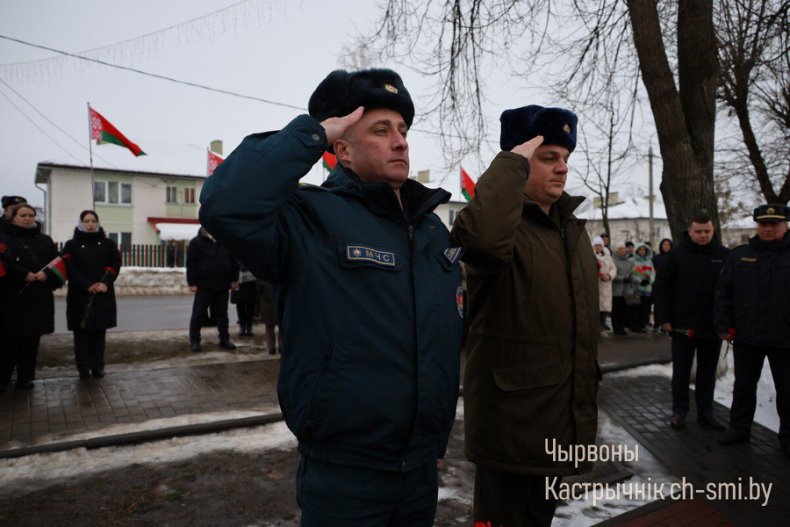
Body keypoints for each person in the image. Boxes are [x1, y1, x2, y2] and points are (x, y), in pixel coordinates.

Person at [199, 68, 464, 525]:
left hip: (419, 471)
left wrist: (431, 438)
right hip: (345, 476)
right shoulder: (307, 218)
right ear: (341, 147)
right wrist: (312, 132)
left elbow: (445, 329)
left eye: (403, 130)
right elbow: (225, 205)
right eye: (381, 130)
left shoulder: (431, 230)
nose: (400, 141)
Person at [451, 104, 599, 526]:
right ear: (519, 162)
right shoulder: (503, 227)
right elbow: (476, 240)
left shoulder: (571, 230)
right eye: (548, 157)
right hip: (510, 428)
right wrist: (513, 160)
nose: (562, 169)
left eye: (566, 159)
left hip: (556, 421)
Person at [716, 204, 790, 457]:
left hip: (784, 337)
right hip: (748, 334)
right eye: (764, 224)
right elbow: (724, 292)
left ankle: (787, 438)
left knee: (787, 390)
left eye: (774, 224)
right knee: (744, 386)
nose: (768, 229)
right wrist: (724, 324)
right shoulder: (740, 255)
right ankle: (739, 429)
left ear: (785, 225)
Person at [653, 213, 729, 431]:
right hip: (682, 325)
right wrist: (664, 318)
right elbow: (662, 289)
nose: (703, 235)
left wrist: (727, 322)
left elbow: (731, 291)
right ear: (690, 231)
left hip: (712, 326)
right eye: (698, 231)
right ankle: (679, 411)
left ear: (713, 231)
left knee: (708, 372)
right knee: (681, 372)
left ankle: (706, 412)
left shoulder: (724, 255)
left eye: (707, 231)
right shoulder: (676, 255)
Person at [0, 203, 61, 389]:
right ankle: (3, 379)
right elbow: (3, 263)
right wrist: (22, 274)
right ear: (13, 217)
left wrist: (47, 275)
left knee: (31, 341)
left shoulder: (45, 240)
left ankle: (26, 378)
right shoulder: (3, 238)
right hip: (11, 298)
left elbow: (56, 263)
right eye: (23, 215)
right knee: (7, 342)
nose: (27, 219)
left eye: (31, 215)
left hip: (37, 298)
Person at [61, 210, 121, 380]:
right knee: (81, 336)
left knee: (98, 336)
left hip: (102, 295)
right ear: (81, 223)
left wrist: (105, 283)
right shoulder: (71, 245)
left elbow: (115, 264)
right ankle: (83, 369)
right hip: (80, 296)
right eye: (86, 221)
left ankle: (98, 367)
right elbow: (69, 267)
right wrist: (86, 285)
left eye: (93, 220)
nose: (90, 224)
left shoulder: (108, 243)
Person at [186, 227, 238, 352]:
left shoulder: (225, 241)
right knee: (198, 314)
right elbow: (191, 264)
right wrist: (192, 282)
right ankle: (195, 341)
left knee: (222, 314)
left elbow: (233, 261)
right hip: (204, 285)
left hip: (222, 284)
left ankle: (224, 339)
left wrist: (234, 279)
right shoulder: (196, 243)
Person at [593, 235, 616, 335]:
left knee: (605, 307)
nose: (598, 247)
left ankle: (602, 325)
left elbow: (613, 268)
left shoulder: (608, 256)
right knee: (596, 306)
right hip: (596, 284)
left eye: (600, 245)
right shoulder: (590, 255)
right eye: (596, 245)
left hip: (606, 284)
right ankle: (597, 327)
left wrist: (609, 276)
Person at [631, 243, 655, 332]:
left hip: (647, 288)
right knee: (636, 309)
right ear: (637, 251)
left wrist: (650, 281)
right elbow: (632, 274)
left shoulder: (649, 261)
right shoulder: (632, 261)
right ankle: (635, 326)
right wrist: (640, 280)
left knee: (645, 309)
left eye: (644, 250)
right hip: (637, 288)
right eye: (640, 250)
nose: (642, 251)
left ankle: (643, 325)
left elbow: (653, 273)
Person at [611, 243, 635, 336]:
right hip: (616, 290)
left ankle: (622, 328)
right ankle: (616, 328)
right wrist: (622, 278)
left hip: (627, 290)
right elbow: (613, 274)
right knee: (617, 310)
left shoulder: (628, 261)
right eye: (620, 249)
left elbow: (632, 272)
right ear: (616, 250)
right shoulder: (613, 260)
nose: (622, 250)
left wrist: (632, 277)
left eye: (623, 248)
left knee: (624, 310)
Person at [231, 263, 257, 337]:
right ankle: (242, 326)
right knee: (239, 303)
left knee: (250, 303)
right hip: (237, 278)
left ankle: (249, 326)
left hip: (251, 279)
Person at [257, 279, 281, 354]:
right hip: (279, 298)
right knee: (282, 326)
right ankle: (281, 346)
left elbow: (259, 286)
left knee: (269, 327)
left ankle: (271, 347)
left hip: (267, 298)